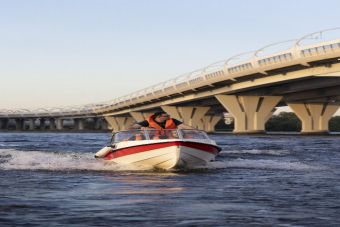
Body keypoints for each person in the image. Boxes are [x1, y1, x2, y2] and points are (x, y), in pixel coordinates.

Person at [127, 112, 195, 130]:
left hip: (170, 139)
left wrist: (196, 130)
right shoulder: (148, 121)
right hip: (154, 139)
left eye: (168, 116)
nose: (169, 117)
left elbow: (184, 126)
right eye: (166, 116)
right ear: (159, 117)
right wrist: (127, 130)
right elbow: (135, 126)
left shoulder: (172, 120)